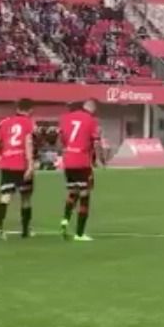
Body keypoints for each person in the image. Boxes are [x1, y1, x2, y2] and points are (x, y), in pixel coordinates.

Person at [60, 100, 103, 241]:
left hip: (68, 160)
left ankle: (65, 219)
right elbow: (96, 141)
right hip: (82, 162)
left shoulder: (67, 118)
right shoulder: (91, 120)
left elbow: (63, 139)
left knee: (73, 191)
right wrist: (98, 159)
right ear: (92, 108)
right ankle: (79, 233)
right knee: (85, 195)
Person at [0, 99, 36, 239]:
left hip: (7, 163)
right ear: (30, 110)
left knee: (5, 196)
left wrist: (2, 154)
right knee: (25, 198)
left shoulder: (4, 122)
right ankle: (25, 230)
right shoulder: (28, 123)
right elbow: (28, 143)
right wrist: (30, 165)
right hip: (21, 163)